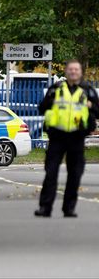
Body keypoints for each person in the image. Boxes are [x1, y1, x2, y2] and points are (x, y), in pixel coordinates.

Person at [35, 59, 99, 218]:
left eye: (76, 70)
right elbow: (42, 108)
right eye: (70, 69)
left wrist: (91, 106)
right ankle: (45, 207)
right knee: (51, 173)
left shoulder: (87, 90)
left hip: (77, 138)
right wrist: (52, 101)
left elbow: (98, 111)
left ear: (81, 72)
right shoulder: (56, 89)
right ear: (66, 71)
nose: (73, 72)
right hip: (57, 136)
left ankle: (69, 208)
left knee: (75, 174)